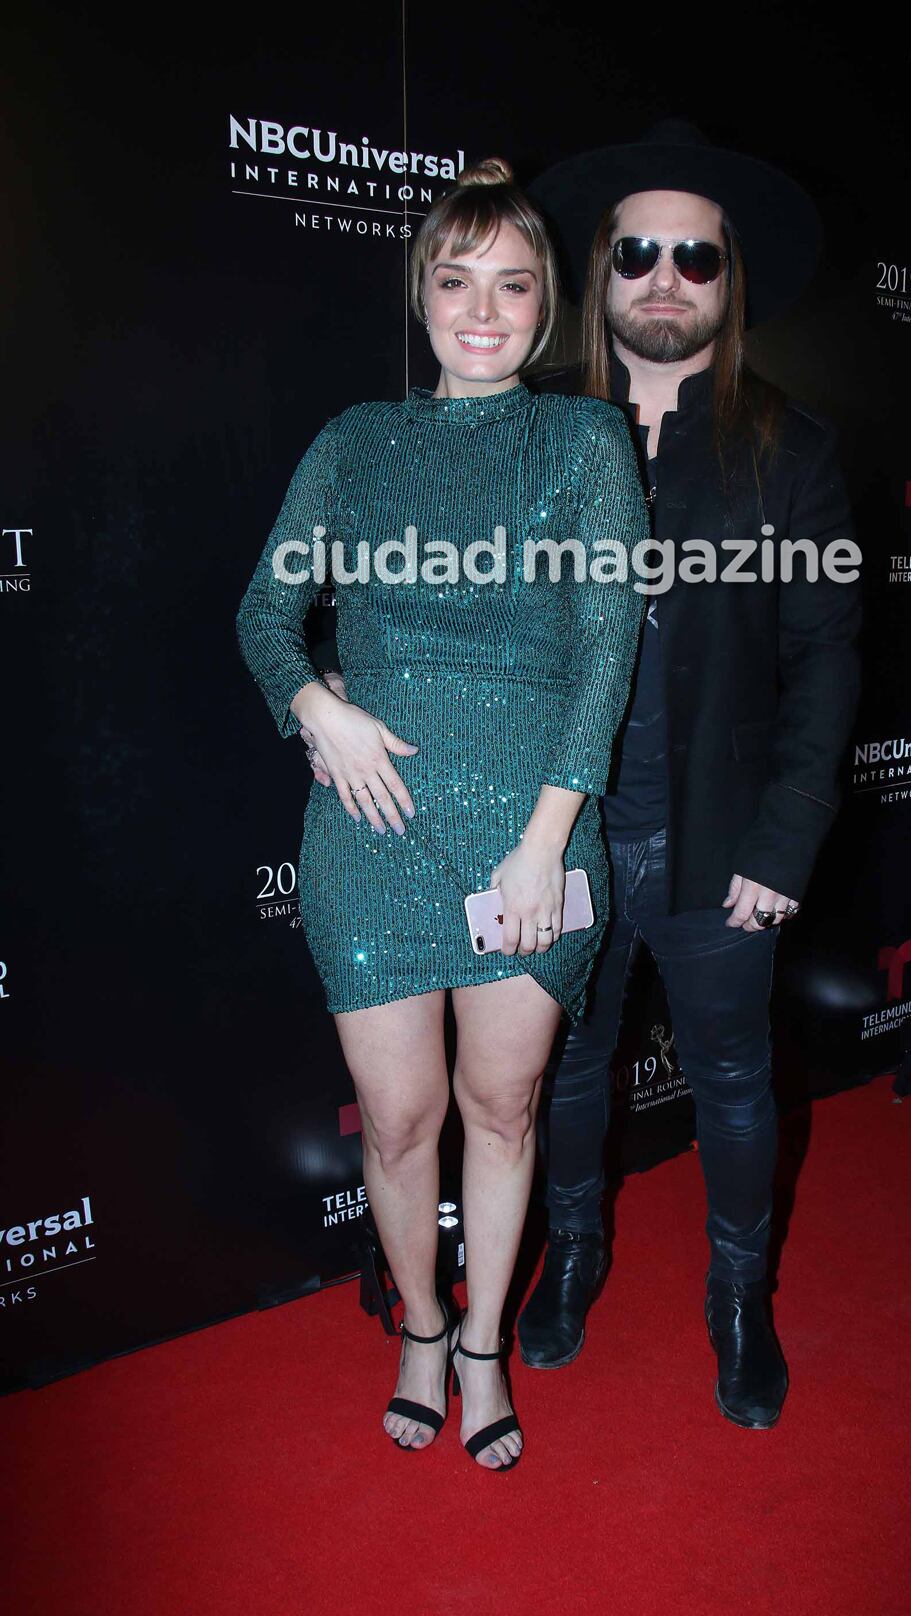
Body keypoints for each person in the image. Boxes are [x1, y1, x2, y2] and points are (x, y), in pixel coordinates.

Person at [235, 159, 648, 1470]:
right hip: (373, 843)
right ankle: (423, 1323)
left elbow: (604, 646)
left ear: (546, 307)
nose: (484, 309)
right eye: (457, 280)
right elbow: (262, 614)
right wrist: (319, 706)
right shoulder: (356, 441)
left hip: (533, 838)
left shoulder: (582, 441)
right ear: (423, 294)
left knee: (504, 1109)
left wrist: (545, 840)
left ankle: (484, 1354)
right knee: (402, 1122)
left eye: (512, 284)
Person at [513, 122, 862, 1429]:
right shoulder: (536, 445)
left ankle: (737, 1300)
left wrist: (786, 841)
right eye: (638, 252)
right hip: (571, 842)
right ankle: (575, 1262)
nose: (665, 278)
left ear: (730, 280)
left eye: (695, 257)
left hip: (724, 848)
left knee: (731, 1085)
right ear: (600, 276)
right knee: (567, 1077)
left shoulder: (794, 449)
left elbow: (827, 662)